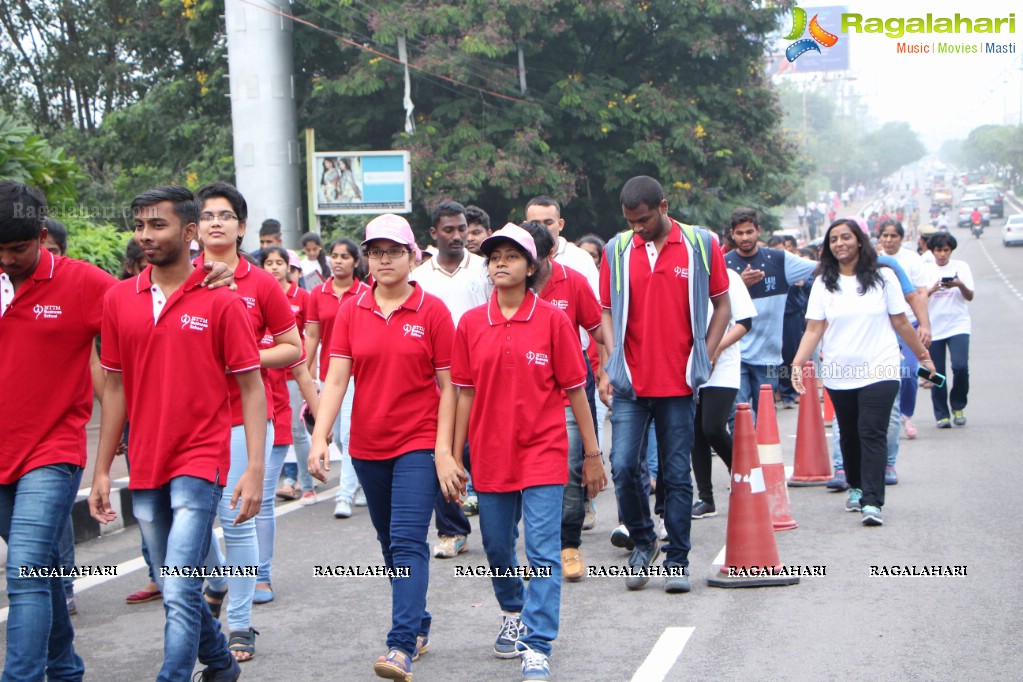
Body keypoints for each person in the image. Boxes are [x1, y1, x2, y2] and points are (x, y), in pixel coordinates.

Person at [89, 184, 264, 682]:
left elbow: (250, 388)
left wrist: (252, 469)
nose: (145, 235)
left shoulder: (222, 301)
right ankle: (221, 664)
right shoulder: (119, 299)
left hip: (200, 459)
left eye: (157, 225)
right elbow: (116, 388)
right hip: (144, 462)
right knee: (174, 584)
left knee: (183, 583)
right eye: (140, 225)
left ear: (188, 233)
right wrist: (102, 470)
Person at [451, 223, 604, 682]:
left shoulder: (553, 320)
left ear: (531, 266)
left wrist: (593, 455)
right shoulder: (472, 323)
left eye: (511, 256)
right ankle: (512, 609)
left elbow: (577, 391)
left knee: (542, 550)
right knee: (497, 546)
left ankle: (537, 644)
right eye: (494, 255)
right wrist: (454, 455)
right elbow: (462, 393)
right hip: (490, 453)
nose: (500, 262)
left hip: (544, 450)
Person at [309, 214, 457, 682]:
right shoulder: (352, 310)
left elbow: (449, 387)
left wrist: (446, 450)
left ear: (414, 255)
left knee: (409, 539)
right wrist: (320, 437)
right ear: (366, 259)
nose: (384, 259)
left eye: (394, 251)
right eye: (376, 251)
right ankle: (418, 624)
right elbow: (335, 378)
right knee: (389, 542)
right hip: (367, 444)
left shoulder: (433, 312)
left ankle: (399, 646)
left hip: (418, 442)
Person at [599, 176, 731, 592]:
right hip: (631, 384)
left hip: (678, 383)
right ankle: (643, 540)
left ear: (664, 205)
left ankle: (677, 560)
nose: (637, 229)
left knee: (676, 474)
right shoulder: (616, 250)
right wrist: (612, 357)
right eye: (630, 222)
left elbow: (723, 305)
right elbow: (604, 310)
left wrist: (705, 355)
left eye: (644, 220)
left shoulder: (701, 245)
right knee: (622, 466)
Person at [0, 183, 110, 680]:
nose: (6, 260)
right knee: (40, 571)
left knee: (23, 573)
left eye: (17, 249)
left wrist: (205, 281)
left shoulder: (84, 283)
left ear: (42, 236)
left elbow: (152, 306)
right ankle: (65, 668)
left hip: (53, 448)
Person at [196, 182, 303, 663]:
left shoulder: (261, 283)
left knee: (236, 521)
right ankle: (217, 580)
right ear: (193, 227)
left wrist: (246, 356)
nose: (214, 223)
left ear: (241, 227)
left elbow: (293, 347)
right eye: (205, 216)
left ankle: (239, 623)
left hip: (241, 418)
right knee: (190, 523)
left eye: (225, 216)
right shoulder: (180, 279)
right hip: (189, 420)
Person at [790, 219, 935, 527]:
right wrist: (797, 363)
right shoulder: (823, 283)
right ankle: (855, 486)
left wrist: (923, 356)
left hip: (881, 367)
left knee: (871, 431)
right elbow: (814, 328)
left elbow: (900, 323)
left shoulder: (883, 278)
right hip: (840, 371)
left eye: (846, 237)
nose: (840, 243)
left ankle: (872, 500)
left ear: (859, 241)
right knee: (850, 434)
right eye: (834, 240)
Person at [519, 220, 605, 582]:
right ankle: (533, 546)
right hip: (520, 390)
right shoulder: (507, 281)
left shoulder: (574, 281)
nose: (526, 267)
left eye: (533, 260)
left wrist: (606, 372)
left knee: (569, 473)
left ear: (550, 253)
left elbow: (600, 330)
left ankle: (568, 545)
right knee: (519, 475)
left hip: (568, 389)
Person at [409, 200, 490, 558]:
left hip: (484, 378)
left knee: (483, 453)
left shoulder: (487, 269)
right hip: (439, 382)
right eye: (450, 230)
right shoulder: (420, 278)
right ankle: (452, 530)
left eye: (463, 229)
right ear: (433, 234)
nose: (459, 236)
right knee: (441, 454)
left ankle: (498, 528)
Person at [255, 246, 322, 604]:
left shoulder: (277, 318)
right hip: (219, 425)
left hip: (274, 418)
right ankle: (223, 576)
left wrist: (321, 430)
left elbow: (300, 370)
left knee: (261, 501)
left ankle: (260, 575)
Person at [724, 209, 817, 421]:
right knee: (738, 413)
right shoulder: (724, 264)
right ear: (732, 234)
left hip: (769, 357)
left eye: (749, 231)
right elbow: (714, 304)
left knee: (766, 416)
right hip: (736, 353)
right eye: (739, 233)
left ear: (758, 230)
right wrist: (739, 284)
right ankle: (740, 455)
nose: (745, 237)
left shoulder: (780, 259)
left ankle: (765, 455)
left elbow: (819, 269)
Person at [303, 238, 372, 518]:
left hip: (357, 373)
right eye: (334, 255)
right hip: (326, 374)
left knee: (347, 433)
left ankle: (344, 495)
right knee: (342, 440)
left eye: (345, 256)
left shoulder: (366, 293)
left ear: (356, 262)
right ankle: (364, 480)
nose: (338, 260)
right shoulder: (317, 293)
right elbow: (312, 335)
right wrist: (305, 374)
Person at [691, 254, 757, 519]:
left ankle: (745, 478)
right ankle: (706, 499)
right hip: (691, 366)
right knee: (695, 433)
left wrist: (716, 348)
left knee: (713, 427)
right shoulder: (682, 276)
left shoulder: (729, 277)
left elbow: (744, 323)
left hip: (724, 365)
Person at [877, 219, 932, 442]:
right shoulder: (871, 259)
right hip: (882, 326)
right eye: (885, 236)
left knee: (909, 372)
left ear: (901, 238)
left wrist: (925, 325)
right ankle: (887, 416)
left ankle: (907, 415)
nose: (889, 240)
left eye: (893, 236)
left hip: (908, 324)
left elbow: (920, 294)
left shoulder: (911, 259)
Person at [924, 232, 974, 428]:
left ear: (951, 250)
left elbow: (970, 296)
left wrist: (959, 284)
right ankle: (941, 414)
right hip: (933, 327)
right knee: (936, 373)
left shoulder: (962, 267)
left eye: (946, 250)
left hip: (958, 325)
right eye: (938, 250)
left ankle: (958, 405)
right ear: (932, 251)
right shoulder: (925, 269)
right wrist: (931, 290)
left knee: (960, 366)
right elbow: (918, 298)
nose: (942, 254)